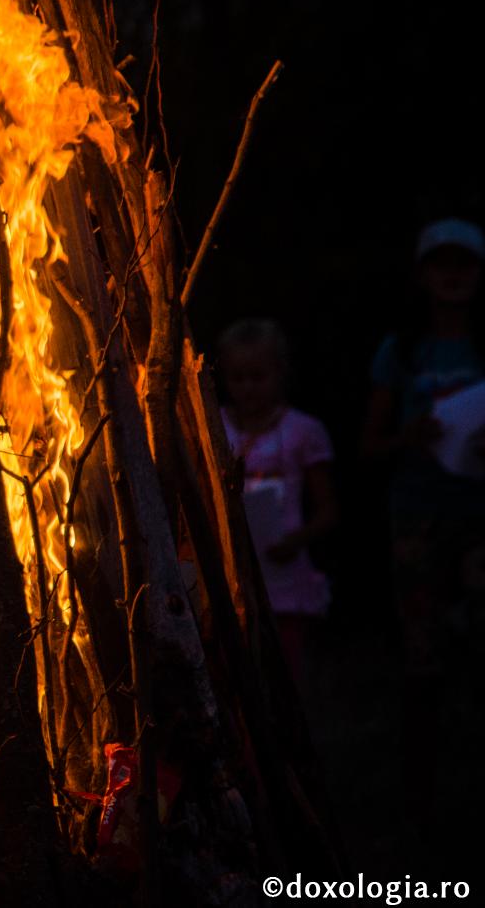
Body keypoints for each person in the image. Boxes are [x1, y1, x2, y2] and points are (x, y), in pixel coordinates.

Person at [360, 217, 485, 838]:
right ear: (423, 274)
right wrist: (410, 436)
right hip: (419, 514)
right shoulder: (402, 351)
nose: (455, 275)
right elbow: (370, 444)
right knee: (423, 653)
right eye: (443, 264)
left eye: (465, 264)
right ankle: (424, 801)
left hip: (479, 516)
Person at [217, 319, 338, 682]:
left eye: (258, 376)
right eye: (238, 378)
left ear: (280, 373)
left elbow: (329, 510)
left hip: (283, 577)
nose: (248, 387)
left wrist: (294, 541)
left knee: (283, 672)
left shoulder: (302, 431)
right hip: (228, 573)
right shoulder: (212, 426)